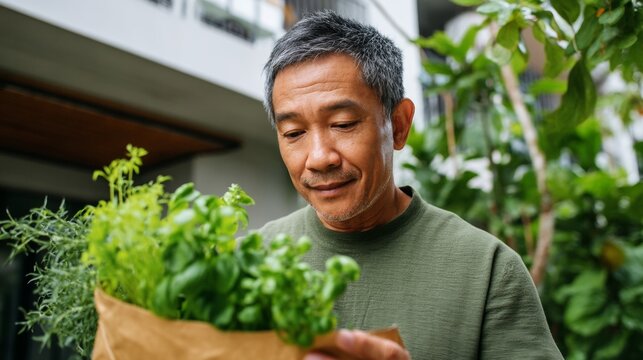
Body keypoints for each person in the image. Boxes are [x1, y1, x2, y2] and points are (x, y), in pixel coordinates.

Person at [259, 10, 563, 359]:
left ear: (399, 125)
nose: (318, 157)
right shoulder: (250, 261)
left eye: (342, 124)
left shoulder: (485, 269)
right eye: (294, 133)